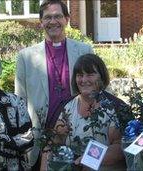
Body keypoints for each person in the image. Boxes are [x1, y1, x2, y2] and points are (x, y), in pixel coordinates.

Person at [14, 0, 93, 168]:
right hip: (41, 137)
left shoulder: (84, 50)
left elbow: (97, 88)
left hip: (77, 134)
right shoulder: (25, 57)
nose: (53, 21)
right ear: (41, 22)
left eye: (58, 16)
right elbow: (19, 100)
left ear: (67, 19)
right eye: (48, 17)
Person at [42, 54, 126, 170]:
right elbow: (51, 144)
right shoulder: (66, 107)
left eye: (90, 75)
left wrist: (89, 159)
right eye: (80, 75)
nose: (84, 80)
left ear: (101, 77)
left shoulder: (115, 107)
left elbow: (120, 147)